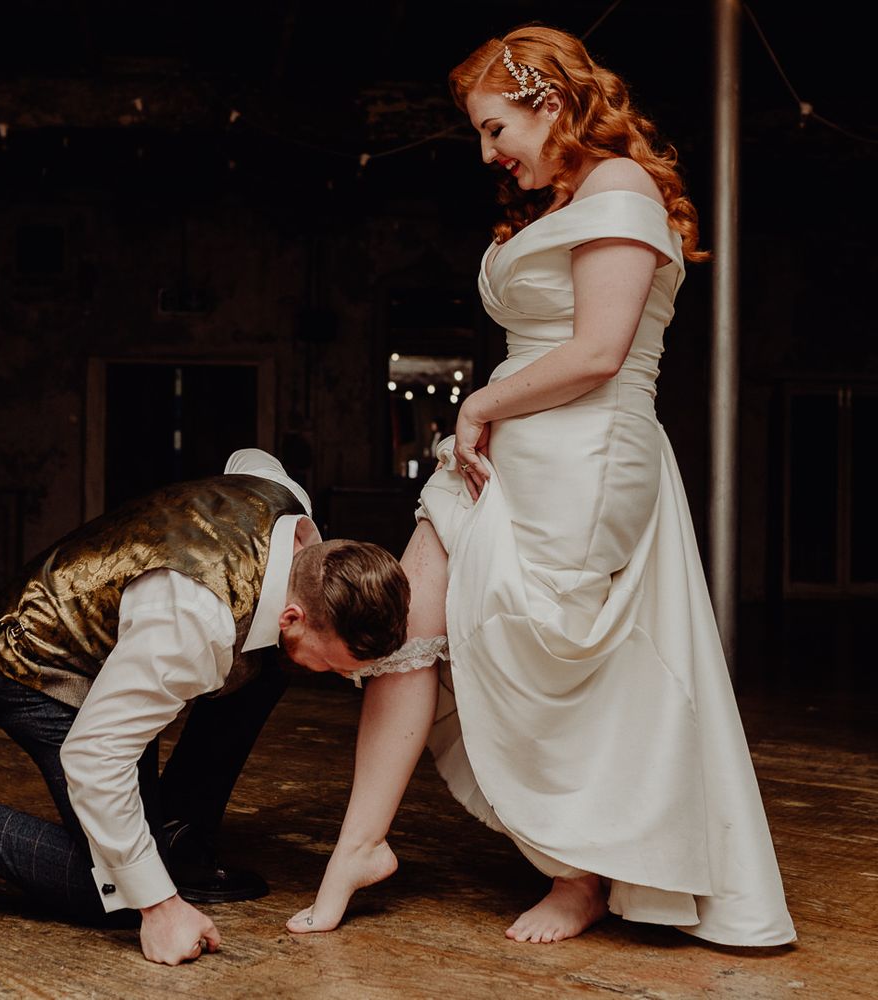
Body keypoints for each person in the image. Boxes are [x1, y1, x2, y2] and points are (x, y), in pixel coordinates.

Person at [286, 24, 796, 947]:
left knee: (554, 670)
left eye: (494, 128)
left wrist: (480, 402)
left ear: (550, 104)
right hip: (511, 449)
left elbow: (600, 353)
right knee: (409, 626)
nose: (488, 153)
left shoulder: (622, 189)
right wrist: (486, 422)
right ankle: (356, 850)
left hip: (585, 460)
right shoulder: (568, 198)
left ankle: (581, 872)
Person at [0, 448, 410, 965]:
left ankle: (175, 833)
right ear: (293, 614)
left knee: (268, 671)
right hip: (41, 661)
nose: (347, 678)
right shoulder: (195, 624)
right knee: (109, 890)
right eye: (342, 664)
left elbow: (251, 458)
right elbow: (94, 758)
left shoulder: (288, 508)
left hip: (129, 648)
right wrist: (159, 905)